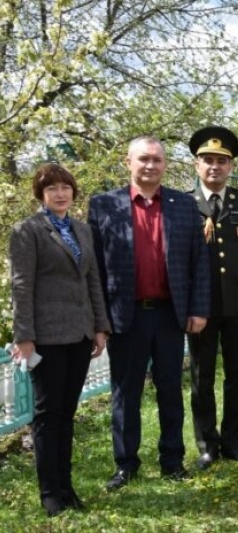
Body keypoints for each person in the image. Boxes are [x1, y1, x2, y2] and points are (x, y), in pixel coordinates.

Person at [89, 136, 210, 491]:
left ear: (165, 165)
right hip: (125, 315)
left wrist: (199, 309)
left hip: (170, 314)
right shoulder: (103, 205)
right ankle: (126, 464)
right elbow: (94, 267)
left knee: (171, 389)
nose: (150, 166)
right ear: (128, 162)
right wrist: (100, 318)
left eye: (157, 160)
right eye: (143, 159)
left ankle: (172, 460)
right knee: (125, 393)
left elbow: (199, 262)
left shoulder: (184, 205)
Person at [9, 164, 111, 516]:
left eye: (65, 187)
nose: (60, 193)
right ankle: (50, 492)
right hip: (46, 337)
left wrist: (100, 326)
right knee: (47, 415)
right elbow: (21, 287)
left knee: (66, 413)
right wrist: (24, 337)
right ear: (40, 194)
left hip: (80, 335)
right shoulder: (27, 231)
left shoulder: (82, 230)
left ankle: (67, 487)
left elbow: (92, 281)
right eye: (51, 188)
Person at [187, 126, 238, 469]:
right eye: (207, 160)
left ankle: (234, 444)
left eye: (221, 161)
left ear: (230, 166)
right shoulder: (184, 204)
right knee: (202, 378)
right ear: (196, 165)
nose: (214, 166)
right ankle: (207, 445)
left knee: (237, 376)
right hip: (200, 307)